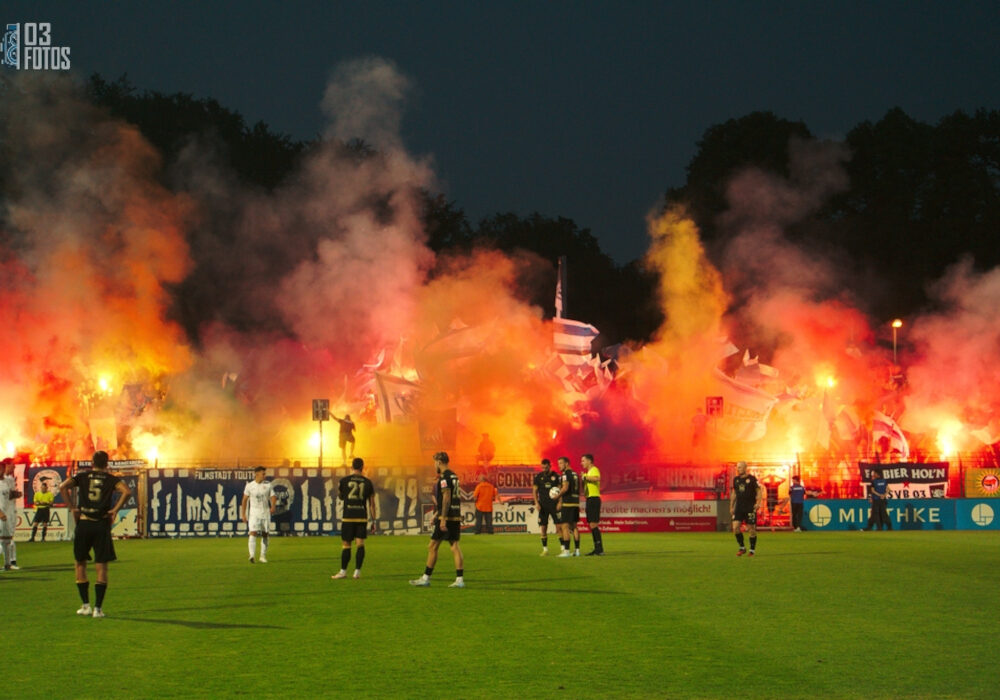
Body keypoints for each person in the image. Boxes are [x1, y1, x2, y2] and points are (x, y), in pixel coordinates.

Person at [57, 450, 131, 617]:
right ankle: (98, 609)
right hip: (101, 524)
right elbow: (127, 492)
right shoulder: (111, 479)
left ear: (92, 462)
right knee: (102, 566)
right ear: (107, 464)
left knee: (80, 563)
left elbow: (62, 487)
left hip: (84, 523)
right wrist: (114, 510)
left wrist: (72, 508)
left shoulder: (83, 476)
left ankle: (85, 605)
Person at [409, 452, 465, 588]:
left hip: (447, 517)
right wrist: (437, 514)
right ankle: (459, 580)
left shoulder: (444, 478)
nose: (434, 465)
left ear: (439, 462)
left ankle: (426, 578)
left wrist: (443, 519)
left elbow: (446, 498)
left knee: (433, 546)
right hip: (455, 515)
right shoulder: (454, 476)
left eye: (435, 462)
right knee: (454, 546)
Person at [332, 458, 377, 580]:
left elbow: (341, 497)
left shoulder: (344, 481)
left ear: (351, 467)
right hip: (361, 517)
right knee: (360, 544)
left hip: (348, 517)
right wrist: (374, 521)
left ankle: (343, 571)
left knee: (346, 544)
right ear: (363, 467)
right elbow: (372, 504)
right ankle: (357, 572)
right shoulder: (368, 482)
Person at [241, 466, 276, 563]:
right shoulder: (249, 486)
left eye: (265, 474)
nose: (264, 475)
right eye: (263, 474)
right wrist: (243, 514)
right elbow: (244, 500)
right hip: (254, 513)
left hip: (265, 512)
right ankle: (252, 555)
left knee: (265, 534)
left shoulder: (268, 485)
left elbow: (273, 496)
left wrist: (273, 506)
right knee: (253, 532)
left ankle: (262, 556)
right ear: (257, 474)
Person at [730, 461, 765, 556]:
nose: (738, 469)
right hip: (739, 507)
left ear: (745, 468)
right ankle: (742, 547)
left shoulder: (752, 479)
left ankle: (752, 550)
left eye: (740, 467)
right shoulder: (736, 479)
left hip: (750, 507)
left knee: (751, 529)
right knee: (735, 527)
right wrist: (731, 506)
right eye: (737, 467)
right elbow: (734, 493)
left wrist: (758, 503)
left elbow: (759, 491)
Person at [532, 458, 562, 555]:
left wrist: (560, 502)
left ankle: (563, 548)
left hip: (554, 505)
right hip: (543, 506)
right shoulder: (538, 477)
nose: (544, 469)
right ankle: (545, 550)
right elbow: (534, 491)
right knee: (543, 527)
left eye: (546, 467)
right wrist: (536, 503)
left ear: (550, 466)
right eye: (543, 467)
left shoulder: (556, 476)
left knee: (559, 527)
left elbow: (560, 490)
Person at [556, 456, 581, 557]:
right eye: (558, 464)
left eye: (561, 463)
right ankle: (577, 550)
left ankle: (566, 551)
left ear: (566, 463)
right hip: (575, 502)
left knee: (564, 526)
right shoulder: (575, 474)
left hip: (568, 503)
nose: (559, 466)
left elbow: (565, 488)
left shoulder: (565, 474)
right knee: (574, 526)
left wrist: (557, 496)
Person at [1, 459, 22, 570]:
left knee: (7, 539)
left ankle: (9, 562)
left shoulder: (8, 481)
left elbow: (8, 496)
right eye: (12, 465)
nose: (14, 467)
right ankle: (9, 562)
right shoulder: (4, 481)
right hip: (3, 513)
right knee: (5, 539)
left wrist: (16, 494)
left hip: (8, 512)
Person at [581, 454, 604, 556]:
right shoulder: (588, 472)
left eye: (583, 460)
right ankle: (597, 548)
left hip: (594, 498)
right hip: (589, 498)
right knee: (591, 524)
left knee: (594, 524)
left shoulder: (594, 469)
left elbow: (597, 478)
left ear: (589, 461)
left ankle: (599, 549)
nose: (582, 463)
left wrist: (585, 477)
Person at [864, 467, 892, 531]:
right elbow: (888, 489)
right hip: (883, 500)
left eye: (874, 473)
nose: (873, 475)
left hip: (876, 500)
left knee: (876, 514)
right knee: (883, 514)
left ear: (877, 474)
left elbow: (873, 491)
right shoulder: (884, 481)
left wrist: (879, 495)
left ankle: (879, 527)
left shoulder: (874, 482)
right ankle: (888, 527)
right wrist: (884, 495)